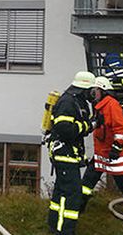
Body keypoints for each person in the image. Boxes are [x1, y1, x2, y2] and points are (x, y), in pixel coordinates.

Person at [80, 76, 123, 219]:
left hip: (115, 154)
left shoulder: (112, 105)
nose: (93, 93)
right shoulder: (99, 105)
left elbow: (120, 129)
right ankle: (79, 206)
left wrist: (116, 148)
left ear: (103, 91)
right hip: (101, 152)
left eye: (95, 90)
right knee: (87, 181)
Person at [47, 71, 97, 235]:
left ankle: (54, 225)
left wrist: (89, 123)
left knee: (61, 191)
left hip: (68, 153)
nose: (94, 94)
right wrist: (89, 126)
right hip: (64, 153)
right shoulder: (68, 102)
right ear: (85, 89)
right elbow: (66, 130)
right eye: (92, 90)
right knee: (73, 194)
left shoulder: (77, 101)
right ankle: (65, 230)